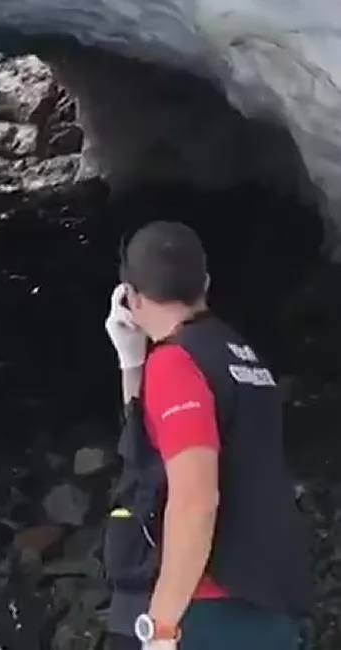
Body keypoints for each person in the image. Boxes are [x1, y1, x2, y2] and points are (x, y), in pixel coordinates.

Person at [100, 220, 311, 649]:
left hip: (208, 608)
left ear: (131, 296)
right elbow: (150, 450)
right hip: (268, 598)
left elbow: (195, 499)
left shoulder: (177, 364)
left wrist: (162, 624)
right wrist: (131, 363)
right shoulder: (241, 356)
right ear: (206, 284)